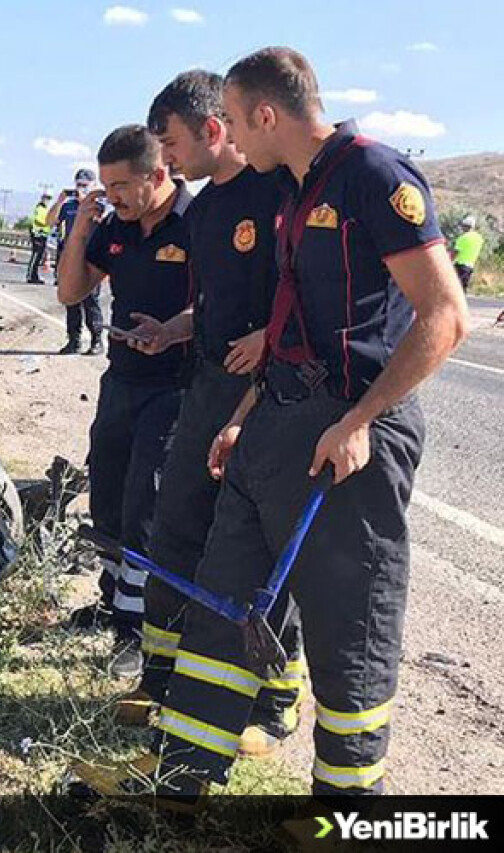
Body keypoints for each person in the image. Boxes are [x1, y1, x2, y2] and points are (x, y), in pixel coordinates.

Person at [72, 47, 468, 805]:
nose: (227, 138)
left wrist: (361, 418)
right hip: (272, 422)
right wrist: (245, 416)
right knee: (224, 601)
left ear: (264, 114)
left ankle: (346, 805)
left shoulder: (373, 176)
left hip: (346, 437)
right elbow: (292, 325)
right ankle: (182, 777)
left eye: (232, 121)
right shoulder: (292, 189)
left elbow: (444, 317)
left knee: (348, 622)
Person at [111, 70, 304, 760]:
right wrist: (173, 328)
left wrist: (270, 339)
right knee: (177, 525)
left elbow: (302, 291)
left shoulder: (277, 191)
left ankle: (274, 699)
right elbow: (215, 305)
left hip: (270, 394)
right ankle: (162, 677)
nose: (164, 160)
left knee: (257, 548)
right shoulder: (206, 211)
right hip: (208, 384)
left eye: (169, 143)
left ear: (213, 130)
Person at [56, 126, 191, 679]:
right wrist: (83, 227)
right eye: (105, 187)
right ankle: (113, 603)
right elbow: (70, 292)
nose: (112, 197)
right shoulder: (115, 226)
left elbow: (225, 306)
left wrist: (173, 331)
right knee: (108, 497)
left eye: (120, 186)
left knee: (146, 507)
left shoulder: (198, 224)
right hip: (122, 380)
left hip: (175, 387)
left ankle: (139, 632)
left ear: (157, 175)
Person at [48, 168, 106, 355]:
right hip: (71, 257)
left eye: (85, 185)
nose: (80, 188)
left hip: (91, 258)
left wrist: (85, 203)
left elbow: (102, 222)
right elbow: (50, 221)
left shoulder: (99, 205)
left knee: (90, 300)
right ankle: (74, 340)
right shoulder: (68, 205)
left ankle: (97, 340)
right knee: (71, 299)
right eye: (78, 184)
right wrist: (59, 201)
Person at [452, 214, 485, 290]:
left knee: (456, 287)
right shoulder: (479, 238)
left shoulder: (463, 238)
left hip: (460, 265)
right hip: (470, 266)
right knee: (463, 287)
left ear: (466, 226)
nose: (462, 227)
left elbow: (455, 252)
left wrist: (448, 262)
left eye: (463, 226)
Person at [26, 193, 52, 284]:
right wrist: (49, 222)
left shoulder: (45, 209)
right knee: (36, 255)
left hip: (43, 235)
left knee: (39, 257)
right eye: (46, 198)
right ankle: (30, 276)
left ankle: (34, 275)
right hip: (37, 234)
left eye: (49, 199)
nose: (47, 200)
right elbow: (38, 220)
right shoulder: (39, 208)